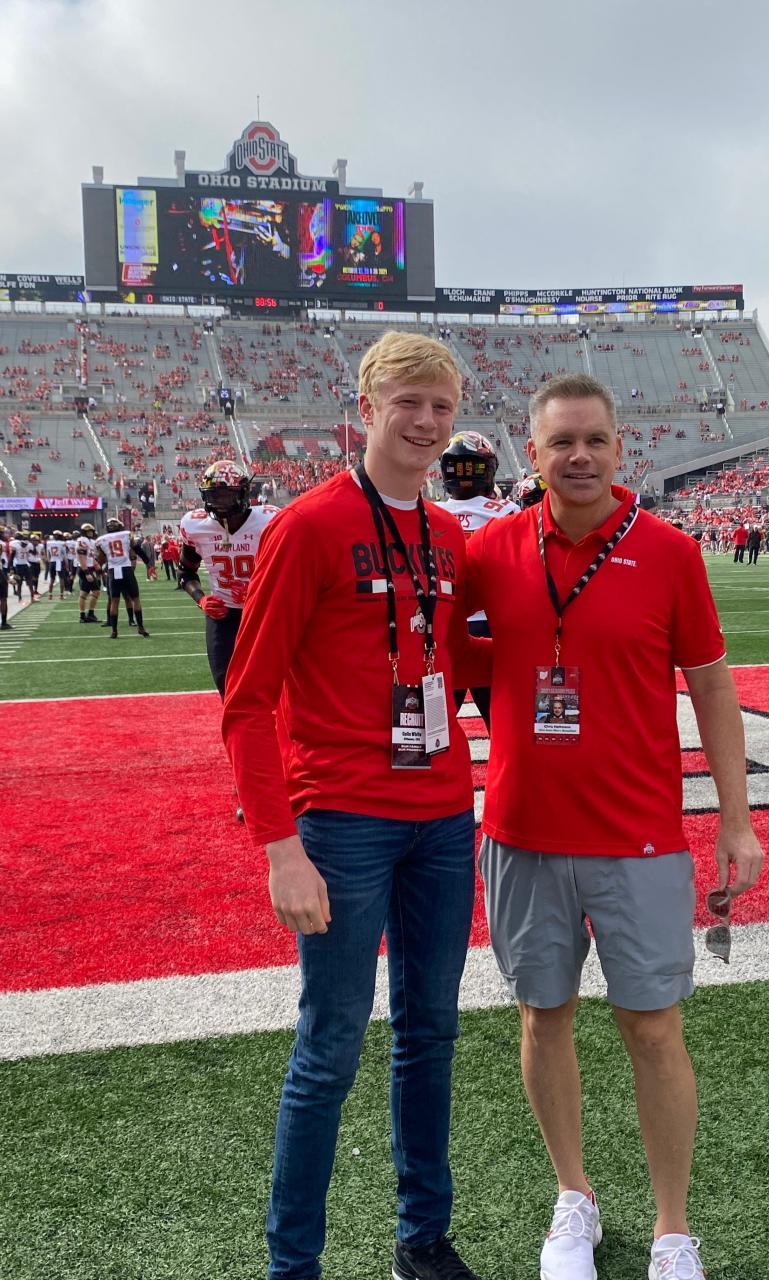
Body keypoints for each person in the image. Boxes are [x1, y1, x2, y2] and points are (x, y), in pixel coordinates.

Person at [466, 372, 764, 1280]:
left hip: (638, 834)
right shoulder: (491, 553)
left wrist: (737, 820)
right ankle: (574, 1198)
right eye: (561, 442)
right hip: (521, 832)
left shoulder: (669, 551)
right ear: (533, 451)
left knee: (654, 1029)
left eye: (594, 439)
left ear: (620, 447)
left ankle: (672, 1229)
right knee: (540, 1019)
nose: (579, 456)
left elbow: (712, 684)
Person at [221, 331, 488, 1280]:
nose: (424, 422)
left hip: (444, 817)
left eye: (441, 407)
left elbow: (456, 665)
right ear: (366, 406)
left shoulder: (449, 533)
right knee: (329, 1047)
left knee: (432, 1034)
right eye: (407, 403)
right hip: (342, 822)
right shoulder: (307, 525)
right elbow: (247, 703)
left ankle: (422, 1237)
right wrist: (279, 847)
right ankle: (294, 1264)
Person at [178, 460, 279, 700]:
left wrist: (264, 591)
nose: (217, 502)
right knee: (227, 686)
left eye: (224, 495)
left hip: (266, 611)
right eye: (212, 495)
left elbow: (296, 568)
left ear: (244, 492)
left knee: (278, 683)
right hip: (224, 614)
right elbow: (186, 573)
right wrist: (201, 600)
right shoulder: (195, 525)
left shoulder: (269, 521)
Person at [438, 430, 518, 730]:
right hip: (491, 623)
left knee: (437, 721)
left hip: (444, 625)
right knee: (501, 722)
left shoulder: (430, 512)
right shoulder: (507, 512)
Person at [95, 518, 149, 639]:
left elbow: (101, 559)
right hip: (126, 569)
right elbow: (136, 548)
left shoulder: (101, 540)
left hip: (113, 571)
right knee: (135, 598)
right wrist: (146, 561)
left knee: (114, 601)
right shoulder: (126, 534)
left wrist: (100, 568)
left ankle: (114, 630)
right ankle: (140, 627)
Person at [75, 524, 102, 624]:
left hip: (88, 568)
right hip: (84, 569)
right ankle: (89, 615)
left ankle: (84, 616)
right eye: (88, 531)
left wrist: (97, 565)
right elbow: (82, 557)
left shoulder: (90, 541)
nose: (90, 532)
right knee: (95, 592)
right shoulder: (82, 541)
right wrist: (87, 572)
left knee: (84, 593)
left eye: (91, 531)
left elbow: (90, 557)